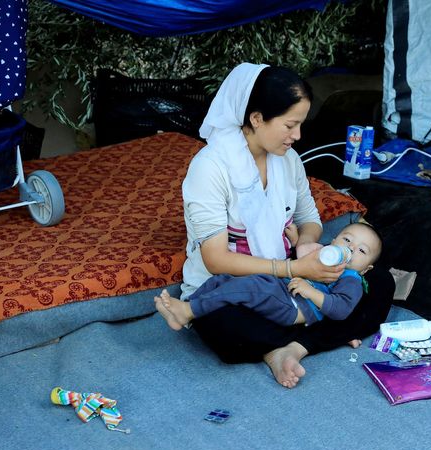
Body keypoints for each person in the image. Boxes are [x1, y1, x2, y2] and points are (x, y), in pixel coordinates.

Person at [168, 62, 394, 388]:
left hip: (293, 282)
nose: (298, 136)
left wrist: (305, 246)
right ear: (257, 118)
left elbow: (310, 221)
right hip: (231, 285)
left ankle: (292, 346)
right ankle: (314, 337)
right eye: (290, 125)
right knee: (224, 326)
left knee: (380, 282)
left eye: (301, 124)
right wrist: (294, 270)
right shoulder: (210, 168)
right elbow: (215, 260)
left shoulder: (288, 160)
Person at [155, 222, 381, 329]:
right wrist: (296, 242)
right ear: (333, 242)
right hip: (280, 288)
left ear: (365, 269)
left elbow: (341, 310)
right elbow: (300, 259)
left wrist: (312, 293)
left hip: (295, 306)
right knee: (224, 280)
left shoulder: (351, 279)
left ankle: (187, 311)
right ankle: (192, 308)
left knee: (250, 288)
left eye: (361, 251)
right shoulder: (323, 253)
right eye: (347, 240)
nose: (350, 249)